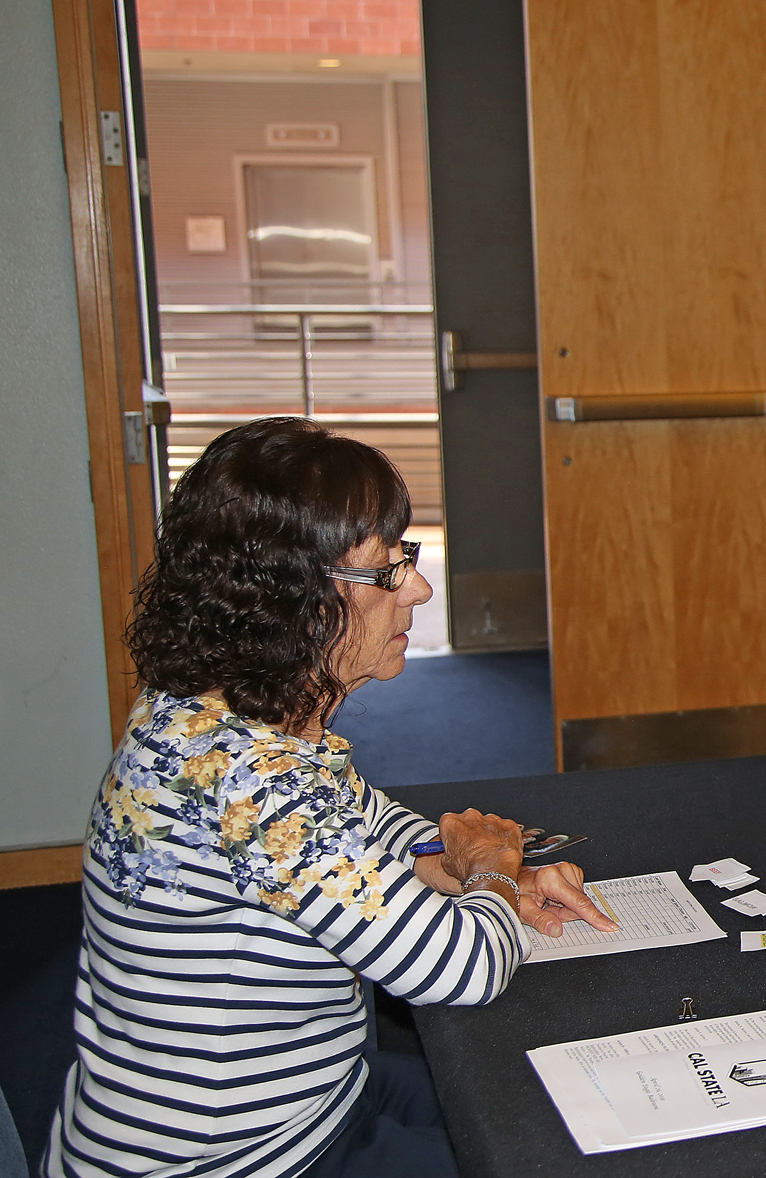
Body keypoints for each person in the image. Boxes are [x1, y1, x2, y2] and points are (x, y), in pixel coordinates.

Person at [45, 418, 617, 1178]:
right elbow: (463, 968)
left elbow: (359, 819)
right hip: (242, 1160)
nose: (417, 587)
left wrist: (456, 864)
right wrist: (496, 875)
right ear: (294, 603)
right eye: (388, 571)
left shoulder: (211, 714)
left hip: (315, 1099)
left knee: (541, 1111)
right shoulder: (255, 783)